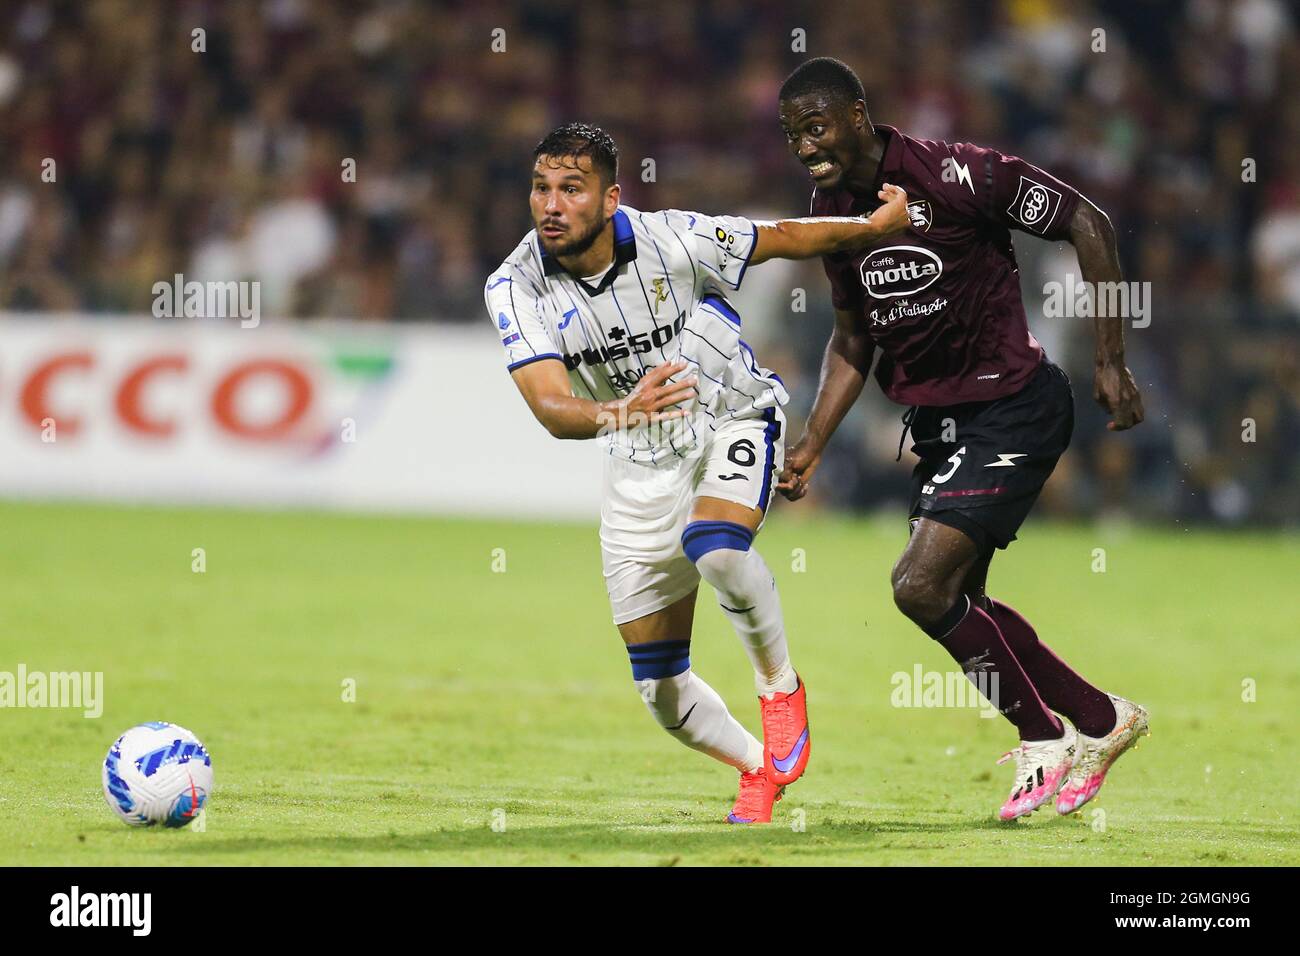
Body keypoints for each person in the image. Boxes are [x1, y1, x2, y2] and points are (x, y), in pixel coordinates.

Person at [486, 122, 909, 823]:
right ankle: (756, 768)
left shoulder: (672, 238)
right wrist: (627, 410)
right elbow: (553, 410)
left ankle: (780, 690)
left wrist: (868, 224)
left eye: (571, 188)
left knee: (714, 547)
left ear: (610, 197)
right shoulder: (516, 286)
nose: (551, 204)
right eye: (540, 188)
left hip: (730, 418)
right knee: (660, 691)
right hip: (635, 462)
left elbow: (781, 237)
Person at [775, 59, 1149, 820]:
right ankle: (1105, 721)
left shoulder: (954, 173)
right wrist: (812, 439)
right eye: (792, 134)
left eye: (815, 126)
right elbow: (853, 337)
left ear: (856, 114)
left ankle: (1043, 739)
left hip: (1016, 405)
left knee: (918, 585)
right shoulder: (832, 209)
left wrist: (1111, 359)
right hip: (940, 428)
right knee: (954, 597)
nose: (805, 144)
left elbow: (1090, 223)